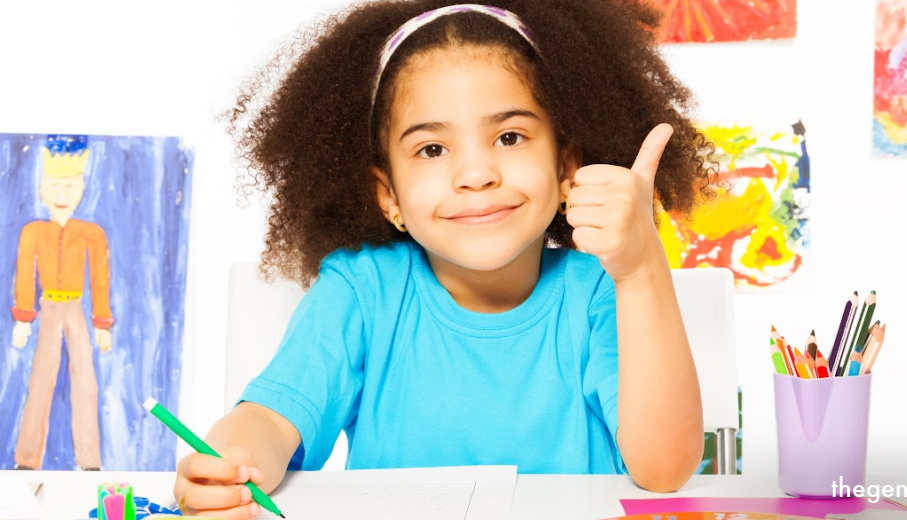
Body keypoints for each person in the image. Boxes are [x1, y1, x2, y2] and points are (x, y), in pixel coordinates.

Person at [176, 1, 716, 516]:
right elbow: (269, 422)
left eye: (509, 136)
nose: (476, 174)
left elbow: (664, 470)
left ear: (565, 167)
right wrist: (230, 463)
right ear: (388, 195)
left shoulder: (602, 290)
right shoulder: (361, 291)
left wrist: (643, 269)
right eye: (432, 149)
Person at [10, 135, 113, 471]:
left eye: (69, 187)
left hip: (77, 310)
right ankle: (26, 460)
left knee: (85, 379)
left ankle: (90, 462)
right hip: (48, 309)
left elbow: (100, 280)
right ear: (42, 189)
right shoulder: (32, 232)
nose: (61, 195)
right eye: (55, 186)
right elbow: (25, 274)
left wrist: (102, 323)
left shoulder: (92, 234)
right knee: (40, 378)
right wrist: (23, 319)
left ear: (81, 190)